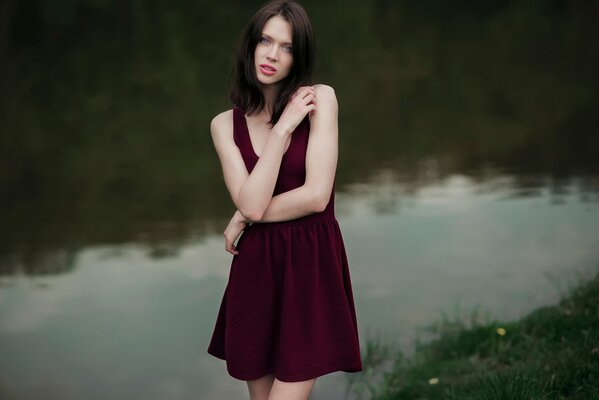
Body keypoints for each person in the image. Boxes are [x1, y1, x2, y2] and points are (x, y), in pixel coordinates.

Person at [207, 1, 362, 399]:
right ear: (251, 45)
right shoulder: (225, 126)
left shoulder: (320, 101)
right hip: (256, 271)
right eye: (265, 40)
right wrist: (281, 132)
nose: (272, 55)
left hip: (309, 265)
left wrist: (243, 218)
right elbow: (253, 204)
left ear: (300, 56)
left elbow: (316, 196)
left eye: (287, 46)